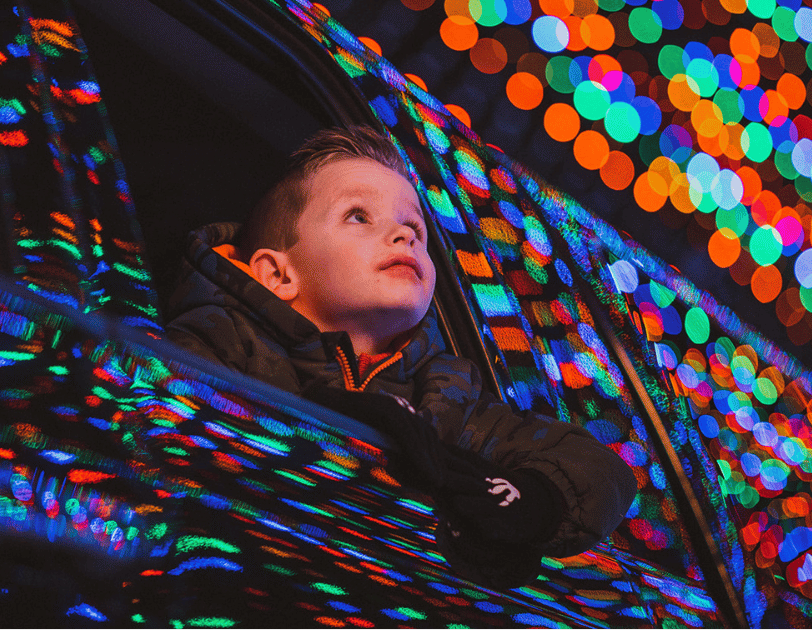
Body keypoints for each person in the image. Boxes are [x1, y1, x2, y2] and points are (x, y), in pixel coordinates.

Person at [165, 125, 636, 588]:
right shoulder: (221, 339)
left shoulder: (447, 396)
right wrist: (327, 419)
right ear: (277, 275)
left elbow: (600, 470)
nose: (402, 234)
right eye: (359, 216)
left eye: (414, 226)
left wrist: (529, 501)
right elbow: (177, 434)